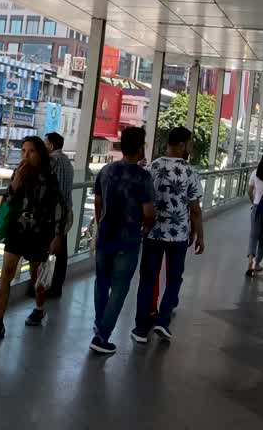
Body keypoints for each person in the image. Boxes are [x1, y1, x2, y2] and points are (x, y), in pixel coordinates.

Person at [0, 135, 70, 342]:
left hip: (40, 232)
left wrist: (57, 236)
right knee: (6, 272)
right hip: (18, 229)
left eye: (31, 151)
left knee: (36, 276)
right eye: (23, 151)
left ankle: (39, 308)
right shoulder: (18, 173)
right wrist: (16, 183)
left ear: (40, 153)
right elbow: (9, 201)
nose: (26, 155)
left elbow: (60, 208)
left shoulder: (50, 177)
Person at [89, 126, 155, 354]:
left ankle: (99, 324)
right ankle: (102, 336)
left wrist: (101, 224)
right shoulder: (143, 177)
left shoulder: (105, 171)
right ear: (140, 148)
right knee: (119, 287)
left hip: (105, 235)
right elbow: (148, 213)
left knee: (102, 282)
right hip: (128, 240)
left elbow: (98, 204)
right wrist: (145, 229)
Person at [132, 125, 202, 343]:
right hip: (179, 235)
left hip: (153, 233)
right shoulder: (190, 171)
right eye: (189, 143)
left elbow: (143, 199)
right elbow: (195, 208)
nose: (190, 147)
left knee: (148, 279)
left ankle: (141, 329)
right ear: (182, 145)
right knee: (174, 278)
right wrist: (200, 234)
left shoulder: (153, 167)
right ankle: (163, 321)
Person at [44, 131, 74, 298]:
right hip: (65, 212)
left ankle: (46, 286)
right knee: (61, 251)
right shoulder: (67, 162)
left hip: (53, 213)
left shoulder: (52, 161)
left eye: (45, 143)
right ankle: (56, 287)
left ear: (52, 145)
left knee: (50, 250)